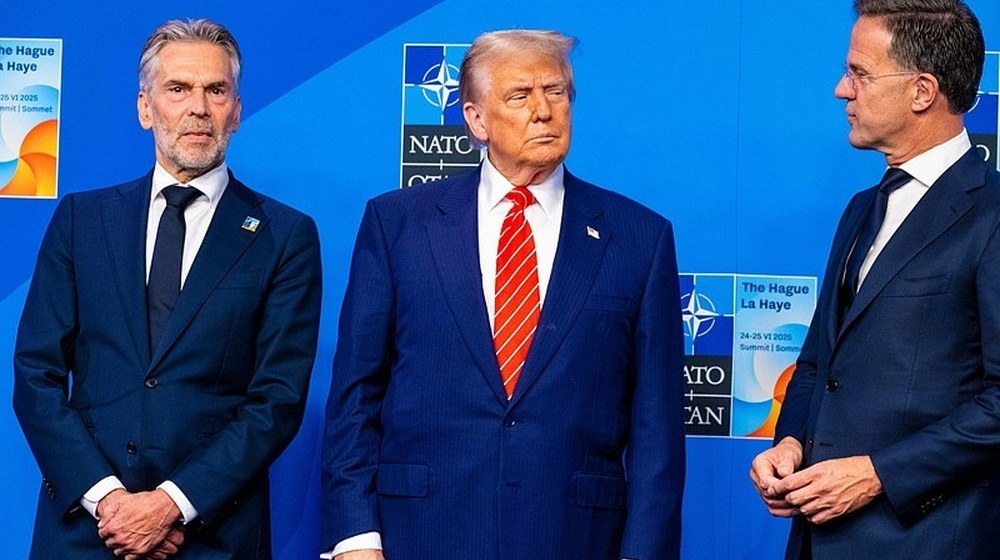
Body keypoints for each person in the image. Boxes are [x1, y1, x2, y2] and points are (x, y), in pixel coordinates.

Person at [321, 29, 685, 560]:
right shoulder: (397, 224)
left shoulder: (639, 238)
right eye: (520, 96)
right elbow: (356, 395)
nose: (544, 111)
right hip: (419, 535)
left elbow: (658, 427)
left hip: (573, 538)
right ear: (476, 120)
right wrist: (355, 536)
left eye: (556, 92)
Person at [13, 18, 322, 560]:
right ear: (145, 108)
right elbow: (36, 375)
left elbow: (277, 400)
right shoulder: (82, 220)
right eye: (177, 89)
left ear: (236, 110)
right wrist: (110, 503)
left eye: (216, 90)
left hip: (213, 537)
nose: (198, 107)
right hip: (85, 533)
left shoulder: (285, 235)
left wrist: (170, 505)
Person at [749, 1, 1000, 558]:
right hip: (818, 538)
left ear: (922, 91)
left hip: (929, 541)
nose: (842, 90)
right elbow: (819, 362)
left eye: (859, 73)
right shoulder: (862, 207)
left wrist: (879, 474)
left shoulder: (993, 214)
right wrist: (790, 442)